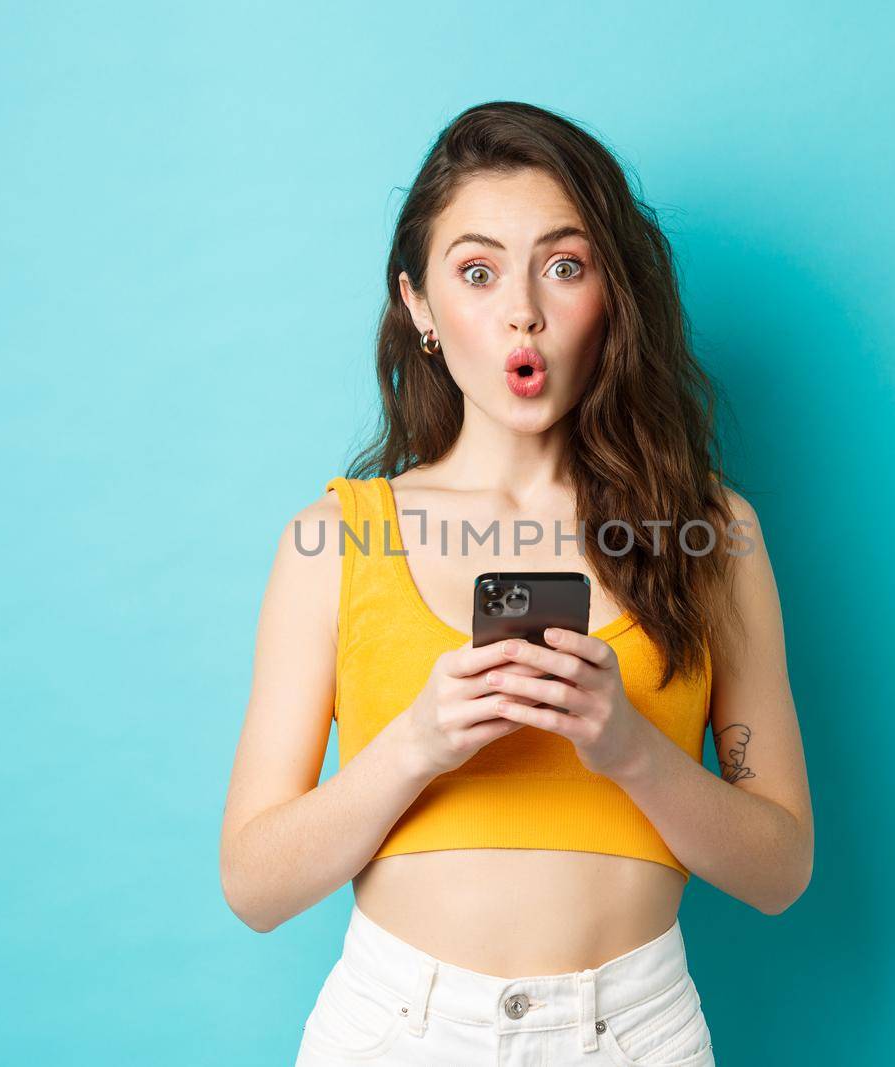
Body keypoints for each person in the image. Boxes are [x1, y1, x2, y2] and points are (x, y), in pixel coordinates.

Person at [220, 100, 813, 1066]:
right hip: (393, 1027)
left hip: (633, 1033)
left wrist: (628, 747)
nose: (523, 309)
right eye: (478, 270)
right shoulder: (333, 539)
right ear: (418, 304)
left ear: (612, 294)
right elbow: (253, 884)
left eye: (564, 265)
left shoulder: (711, 535)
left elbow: (782, 869)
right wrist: (416, 744)